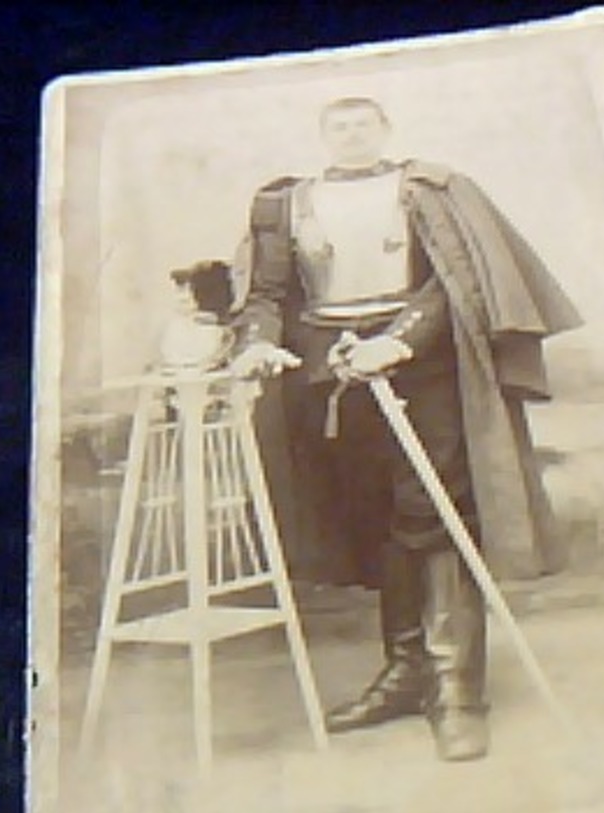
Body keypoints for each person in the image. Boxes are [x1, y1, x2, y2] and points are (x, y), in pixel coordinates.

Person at [231, 96, 581, 762]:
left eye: (364, 124)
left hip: (422, 366)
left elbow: (457, 282)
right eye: (339, 125)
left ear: (386, 131)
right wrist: (257, 343)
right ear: (322, 136)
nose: (352, 135)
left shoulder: (430, 190)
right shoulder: (286, 202)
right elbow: (270, 296)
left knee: (435, 509)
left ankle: (456, 689)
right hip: (332, 370)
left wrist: (396, 342)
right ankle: (406, 671)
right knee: (377, 516)